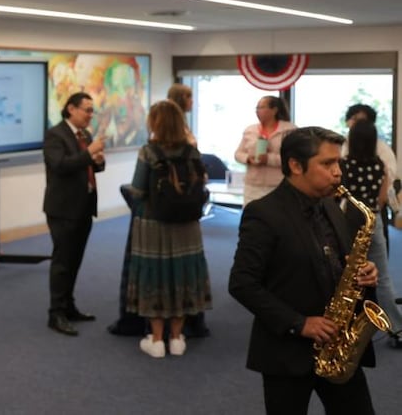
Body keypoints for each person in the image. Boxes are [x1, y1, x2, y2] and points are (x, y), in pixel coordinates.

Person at [229, 127, 380, 415]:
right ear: (296, 166)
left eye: (338, 163)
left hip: (340, 346)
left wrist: (365, 273)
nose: (337, 173)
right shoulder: (264, 213)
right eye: (327, 164)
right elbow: (242, 283)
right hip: (287, 353)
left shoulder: (333, 206)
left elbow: (339, 261)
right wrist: (299, 323)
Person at [125, 101, 212, 357]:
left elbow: (138, 189)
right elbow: (202, 183)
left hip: (153, 225)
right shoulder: (192, 152)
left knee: (156, 275)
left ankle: (156, 339)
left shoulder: (148, 152)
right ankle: (177, 338)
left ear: (155, 122)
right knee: (183, 275)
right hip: (187, 226)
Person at [43, 91, 105, 336]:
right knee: (62, 262)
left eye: (92, 111)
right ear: (71, 109)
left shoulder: (85, 135)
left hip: (84, 205)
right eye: (87, 110)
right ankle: (55, 313)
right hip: (63, 208)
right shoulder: (55, 135)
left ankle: (69, 306)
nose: (90, 115)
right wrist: (89, 154)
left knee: (75, 260)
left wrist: (97, 160)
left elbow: (90, 167)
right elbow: (59, 166)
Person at [340, 119, 402, 348]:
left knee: (345, 275)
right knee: (382, 277)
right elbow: (383, 199)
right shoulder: (380, 166)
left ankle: (344, 328)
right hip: (372, 221)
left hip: (348, 221)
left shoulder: (343, 164)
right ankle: (398, 329)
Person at [343, 103, 400, 255]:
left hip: (373, 208)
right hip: (352, 210)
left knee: (376, 254)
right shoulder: (342, 145)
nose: (356, 123)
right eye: (353, 118)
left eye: (362, 120)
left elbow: (390, 176)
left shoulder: (382, 149)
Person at [235, 95, 296, 205]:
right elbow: (238, 154)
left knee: (278, 218)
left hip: (279, 185)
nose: (257, 111)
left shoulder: (289, 130)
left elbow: (294, 158)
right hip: (253, 186)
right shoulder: (250, 130)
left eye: (261, 108)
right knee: (252, 218)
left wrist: (268, 159)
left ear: (274, 110)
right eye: (256, 108)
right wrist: (248, 159)